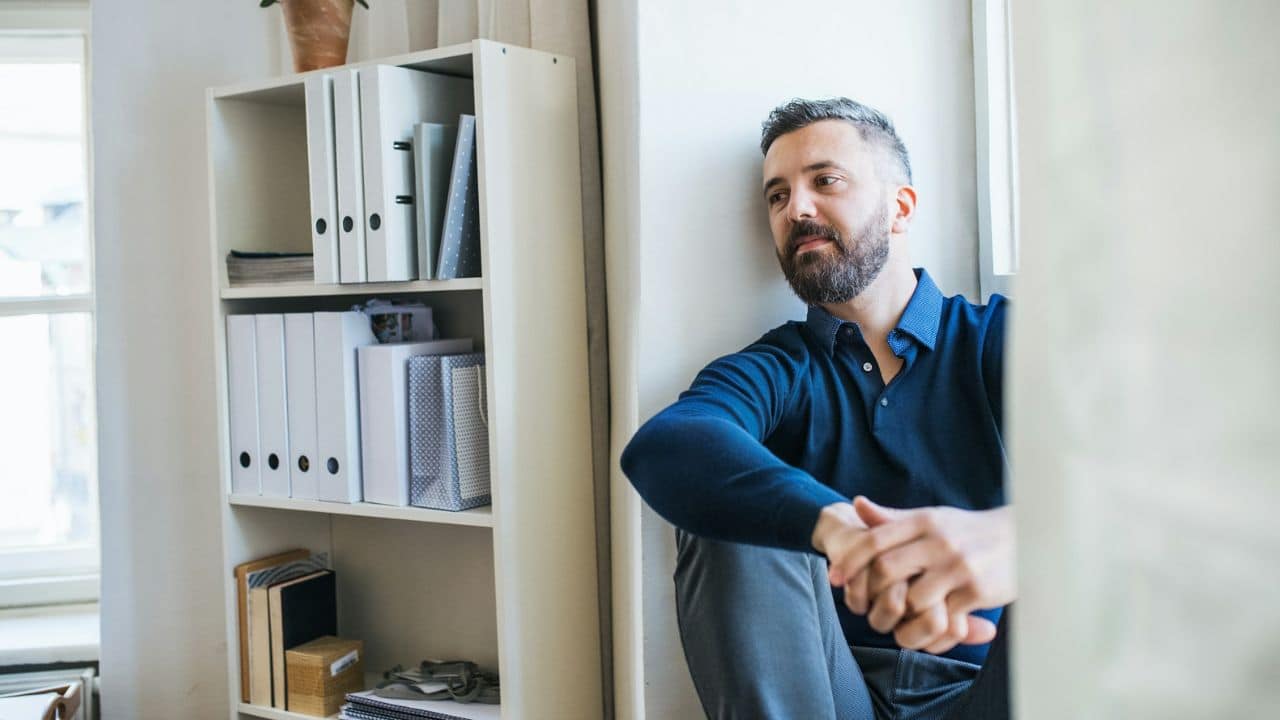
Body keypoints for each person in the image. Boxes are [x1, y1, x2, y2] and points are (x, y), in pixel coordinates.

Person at [620, 97, 1015, 720]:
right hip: (829, 690)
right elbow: (666, 445)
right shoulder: (779, 367)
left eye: (824, 181)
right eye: (777, 196)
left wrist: (1018, 540)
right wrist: (836, 528)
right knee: (724, 511)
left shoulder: (999, 340)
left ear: (899, 207)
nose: (796, 208)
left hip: (996, 684)